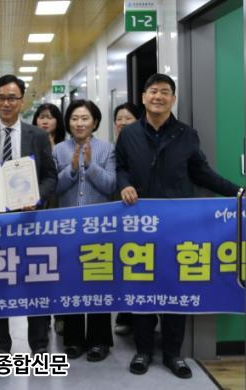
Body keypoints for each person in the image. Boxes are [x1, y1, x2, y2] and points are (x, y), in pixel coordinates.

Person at [116, 74, 241, 379]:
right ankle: (143, 351)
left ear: (173, 99)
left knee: (175, 288)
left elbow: (201, 172)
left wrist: (238, 192)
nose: (158, 96)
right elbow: (121, 167)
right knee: (142, 288)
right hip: (140, 225)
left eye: (165, 92)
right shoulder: (129, 134)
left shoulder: (186, 134)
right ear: (144, 97)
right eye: (153, 91)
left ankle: (173, 354)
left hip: (178, 226)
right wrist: (124, 185)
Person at [0, 74, 58, 354]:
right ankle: (1, 343)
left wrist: (36, 198)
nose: (6, 103)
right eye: (0, 98)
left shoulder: (38, 135)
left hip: (29, 222)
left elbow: (50, 176)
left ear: (22, 101)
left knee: (35, 282)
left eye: (11, 98)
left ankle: (39, 344)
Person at [53, 100, 115, 362]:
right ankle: (74, 340)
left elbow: (111, 186)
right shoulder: (58, 150)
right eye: (74, 118)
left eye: (85, 118)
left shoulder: (107, 149)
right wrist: (71, 168)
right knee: (72, 283)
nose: (79, 123)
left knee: (98, 282)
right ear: (68, 122)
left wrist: (90, 166)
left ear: (95, 122)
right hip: (67, 229)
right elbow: (53, 188)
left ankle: (99, 341)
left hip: (98, 229)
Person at [32, 102, 66, 335]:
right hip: (36, 210)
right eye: (41, 117)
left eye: (50, 117)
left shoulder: (66, 146)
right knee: (41, 266)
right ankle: (43, 315)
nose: (45, 121)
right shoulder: (29, 143)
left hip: (59, 208)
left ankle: (61, 314)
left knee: (61, 265)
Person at [111, 102, 141, 337]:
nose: (122, 123)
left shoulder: (140, 146)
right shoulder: (107, 149)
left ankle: (135, 315)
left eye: (128, 118)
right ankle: (124, 312)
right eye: (119, 119)